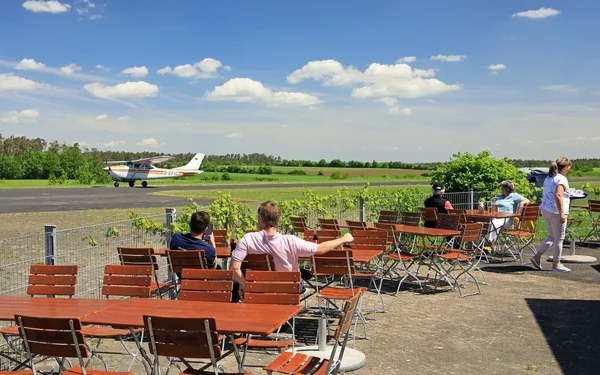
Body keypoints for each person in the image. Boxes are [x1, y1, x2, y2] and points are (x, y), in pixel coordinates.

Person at [229, 201, 354, 302]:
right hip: (287, 293)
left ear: (261, 220)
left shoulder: (248, 239)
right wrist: (343, 239)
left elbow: (234, 269)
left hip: (258, 292)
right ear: (277, 220)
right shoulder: (290, 241)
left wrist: (247, 286)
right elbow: (320, 249)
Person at [530, 157, 572, 272]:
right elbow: (558, 195)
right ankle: (556, 264)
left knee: (552, 236)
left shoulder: (549, 178)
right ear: (565, 167)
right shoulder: (561, 179)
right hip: (555, 211)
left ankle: (537, 256)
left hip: (545, 209)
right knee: (559, 238)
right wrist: (562, 213)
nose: (569, 170)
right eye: (568, 167)